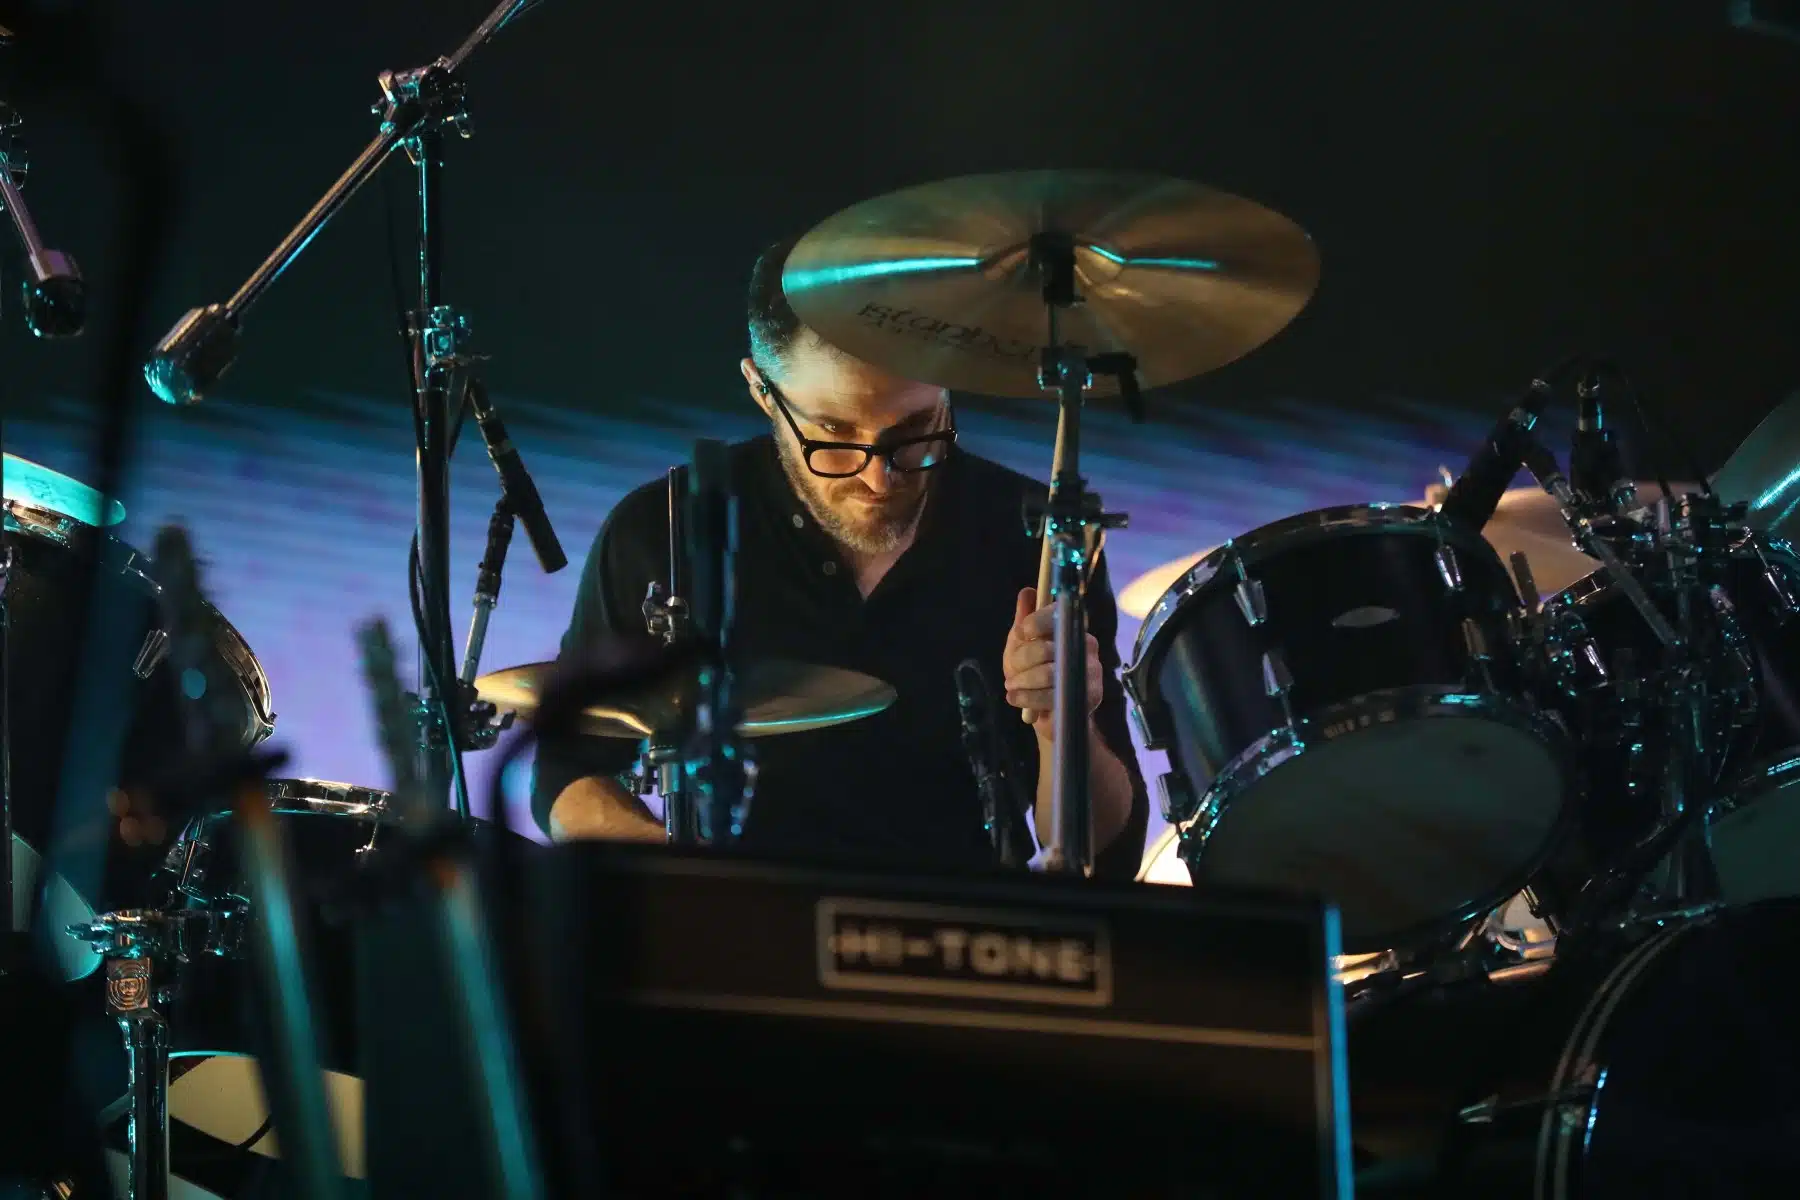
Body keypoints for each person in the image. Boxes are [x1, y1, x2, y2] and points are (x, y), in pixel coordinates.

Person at [531, 238, 1147, 878]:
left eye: (913, 431)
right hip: (743, 916)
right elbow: (566, 777)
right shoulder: (659, 531)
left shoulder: (1039, 538)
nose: (879, 479)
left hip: (960, 920)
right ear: (762, 391)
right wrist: (687, 884)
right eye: (835, 433)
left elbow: (1109, 856)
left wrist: (1062, 727)